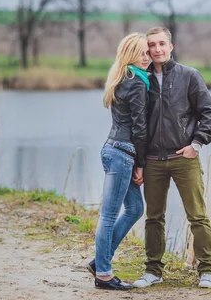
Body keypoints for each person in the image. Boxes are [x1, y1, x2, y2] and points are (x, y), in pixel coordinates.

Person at [132, 27, 211, 289]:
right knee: (153, 217)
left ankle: (207, 271)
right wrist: (139, 161)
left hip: (184, 158)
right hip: (152, 161)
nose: (157, 49)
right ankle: (153, 270)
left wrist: (196, 144)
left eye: (161, 44)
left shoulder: (189, 76)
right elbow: (135, 123)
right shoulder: (140, 79)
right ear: (146, 50)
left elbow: (209, 115)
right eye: (152, 45)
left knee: (197, 216)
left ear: (171, 46)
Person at [88, 32, 150, 290]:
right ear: (131, 55)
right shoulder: (136, 82)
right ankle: (103, 274)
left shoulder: (123, 77)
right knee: (109, 215)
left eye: (148, 53)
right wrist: (141, 163)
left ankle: (97, 262)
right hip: (123, 153)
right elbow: (140, 128)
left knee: (135, 209)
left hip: (113, 149)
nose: (147, 57)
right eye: (142, 53)